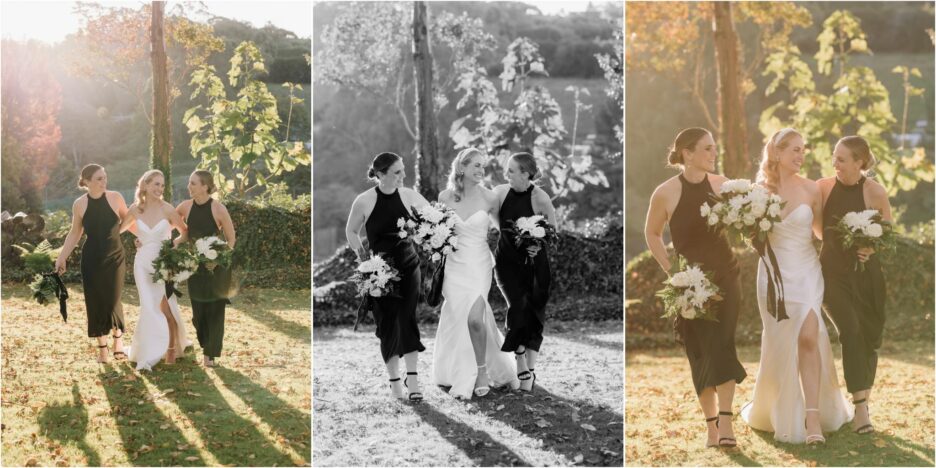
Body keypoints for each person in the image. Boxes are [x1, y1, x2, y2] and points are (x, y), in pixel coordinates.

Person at [740, 128, 851, 444]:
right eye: (795, 150)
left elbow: (821, 233)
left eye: (803, 150)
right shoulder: (757, 192)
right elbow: (750, 235)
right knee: (780, 343)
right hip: (773, 277)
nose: (801, 156)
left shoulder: (812, 189)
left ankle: (813, 417)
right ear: (777, 153)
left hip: (805, 272)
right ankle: (780, 409)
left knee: (807, 338)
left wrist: (856, 240)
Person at [644, 128, 746, 448]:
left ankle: (727, 423)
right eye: (706, 149)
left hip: (726, 278)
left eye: (714, 148)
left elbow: (748, 219)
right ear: (687, 153)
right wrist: (674, 274)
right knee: (700, 353)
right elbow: (652, 233)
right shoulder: (665, 192)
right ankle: (711, 427)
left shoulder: (722, 185)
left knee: (724, 346)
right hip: (689, 284)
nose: (713, 154)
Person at [817, 135, 891, 435]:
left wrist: (871, 248)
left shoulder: (875, 191)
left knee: (870, 336)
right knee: (851, 330)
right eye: (834, 157)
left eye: (842, 159)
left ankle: (863, 394)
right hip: (832, 275)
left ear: (860, 162)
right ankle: (861, 408)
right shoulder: (823, 188)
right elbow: (818, 228)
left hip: (867, 276)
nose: (836, 163)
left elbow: (887, 232)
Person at [433, 148, 520, 399]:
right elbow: (439, 231)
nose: (482, 170)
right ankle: (456, 369)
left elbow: (505, 231)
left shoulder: (490, 198)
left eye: (483, 166)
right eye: (476, 166)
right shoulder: (445, 197)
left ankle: (482, 371)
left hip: (479, 264)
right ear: (461, 167)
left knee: (474, 320)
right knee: (459, 317)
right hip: (453, 266)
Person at [345, 153, 428, 401]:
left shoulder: (410, 196)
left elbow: (434, 219)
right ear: (380, 174)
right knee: (387, 324)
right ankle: (394, 382)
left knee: (408, 320)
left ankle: (412, 380)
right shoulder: (364, 201)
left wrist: (428, 238)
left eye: (403, 171)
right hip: (379, 271)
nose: (403, 176)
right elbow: (351, 230)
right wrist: (363, 259)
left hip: (409, 266)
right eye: (397, 172)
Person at [493, 152, 556, 393]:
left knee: (535, 313)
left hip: (536, 265)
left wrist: (538, 244)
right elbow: (485, 212)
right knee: (517, 307)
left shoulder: (540, 198)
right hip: (507, 263)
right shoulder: (500, 193)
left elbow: (553, 231)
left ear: (526, 174)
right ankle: (519, 360)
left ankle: (530, 369)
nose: (506, 174)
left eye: (511, 170)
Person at [54, 164, 130, 363]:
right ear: (86, 182)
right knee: (95, 302)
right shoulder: (79, 204)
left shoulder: (115, 198)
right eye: (99, 178)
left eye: (104, 177)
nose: (104, 181)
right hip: (92, 259)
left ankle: (118, 341)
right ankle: (103, 349)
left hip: (115, 256)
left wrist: (148, 238)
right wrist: (62, 256)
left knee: (113, 298)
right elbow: (75, 232)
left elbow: (129, 220)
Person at [120, 169, 192, 370]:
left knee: (166, 306)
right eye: (156, 184)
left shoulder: (168, 209)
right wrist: (140, 237)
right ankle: (147, 350)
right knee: (148, 306)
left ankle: (171, 347)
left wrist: (174, 244)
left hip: (163, 263)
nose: (160, 188)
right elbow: (120, 228)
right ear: (145, 185)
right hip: (142, 264)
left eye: (162, 185)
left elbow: (185, 231)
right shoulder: (135, 209)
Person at [174, 170, 236, 368]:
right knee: (198, 312)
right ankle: (205, 343)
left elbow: (231, 239)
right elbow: (182, 231)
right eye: (189, 183)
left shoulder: (218, 209)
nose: (189, 186)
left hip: (217, 268)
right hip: (195, 266)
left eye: (193, 183)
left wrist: (218, 259)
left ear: (205, 186)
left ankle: (210, 354)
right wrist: (175, 241)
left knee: (215, 310)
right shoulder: (185, 207)